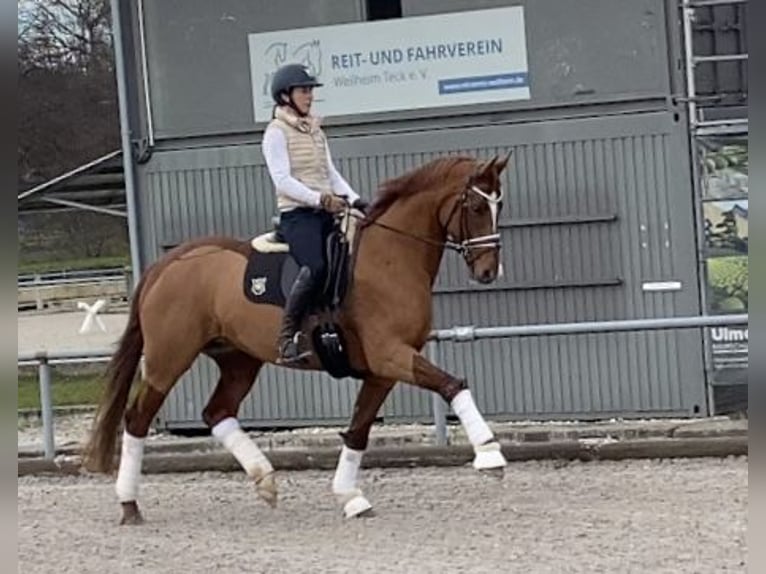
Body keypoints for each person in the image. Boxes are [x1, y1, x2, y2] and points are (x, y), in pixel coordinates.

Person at [262, 63, 368, 364]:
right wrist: (320, 199)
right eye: (304, 90)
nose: (309, 96)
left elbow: (330, 173)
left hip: (326, 210)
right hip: (298, 215)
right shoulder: (275, 133)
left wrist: (357, 200)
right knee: (317, 266)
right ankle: (286, 336)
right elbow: (282, 179)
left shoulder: (315, 129)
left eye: (310, 90)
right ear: (285, 96)